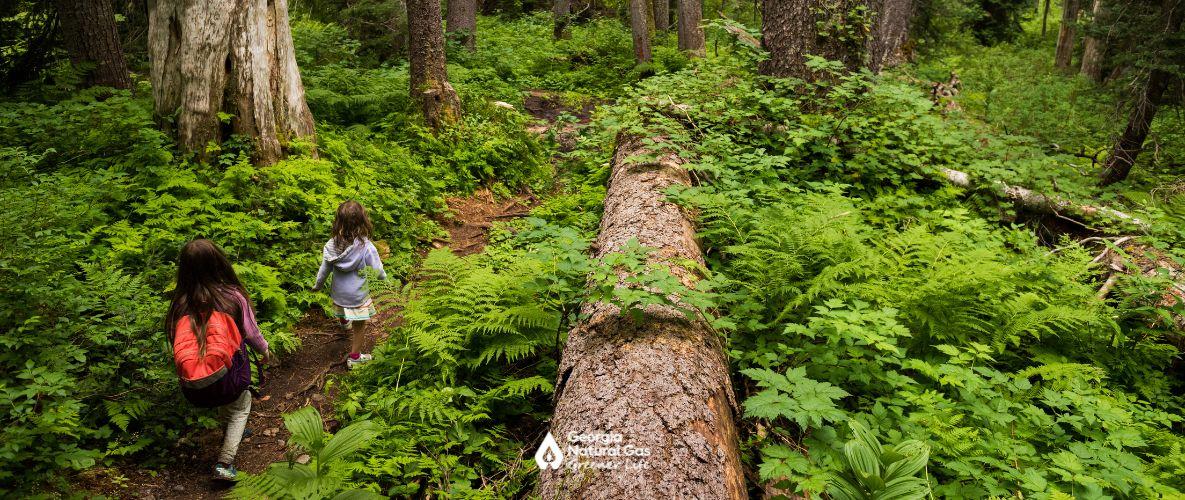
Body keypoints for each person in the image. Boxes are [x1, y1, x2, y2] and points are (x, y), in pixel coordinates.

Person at [166, 239, 271, 480]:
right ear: (219, 264)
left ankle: (230, 430)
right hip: (228, 378)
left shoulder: (179, 303)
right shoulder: (232, 297)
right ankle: (225, 463)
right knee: (241, 404)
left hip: (193, 385)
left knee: (226, 394)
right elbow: (252, 334)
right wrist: (265, 352)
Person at [314, 201, 386, 369]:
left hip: (339, 293)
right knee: (359, 327)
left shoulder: (331, 246)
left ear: (338, 222)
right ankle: (354, 358)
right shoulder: (366, 247)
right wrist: (385, 282)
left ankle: (343, 322)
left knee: (341, 308)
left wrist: (318, 285)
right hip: (357, 296)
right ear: (363, 221)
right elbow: (377, 269)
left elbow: (324, 270)